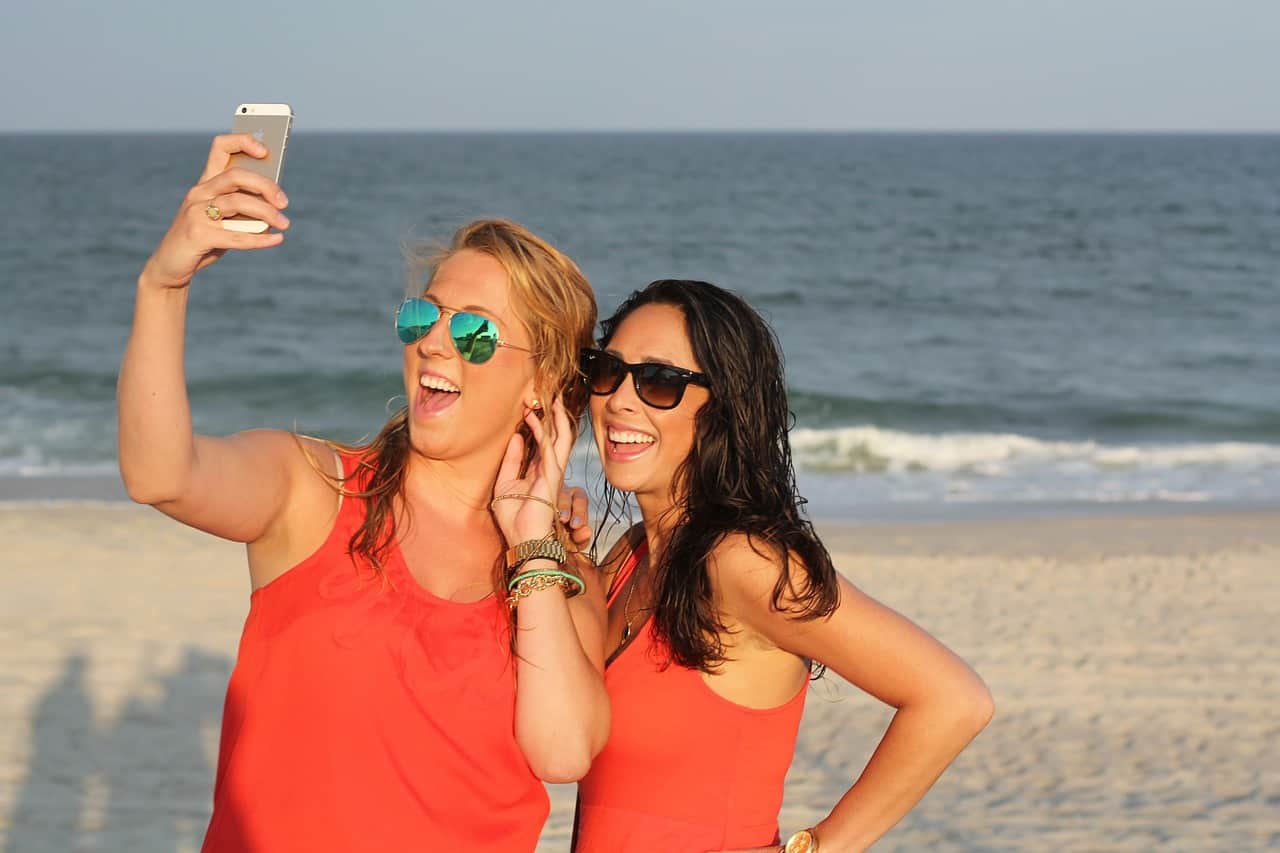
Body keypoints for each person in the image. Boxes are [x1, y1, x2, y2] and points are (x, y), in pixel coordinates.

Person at [117, 134, 609, 852]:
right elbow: (160, 473)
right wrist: (163, 284)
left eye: (475, 332)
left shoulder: (560, 577)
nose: (435, 342)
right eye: (425, 315)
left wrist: (532, 535)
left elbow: (563, 750)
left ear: (539, 384)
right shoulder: (310, 490)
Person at [573, 280, 994, 852]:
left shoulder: (743, 562)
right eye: (607, 370)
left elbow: (953, 699)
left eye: (659, 381)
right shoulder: (630, 554)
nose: (620, 399)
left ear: (722, 407)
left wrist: (816, 848)